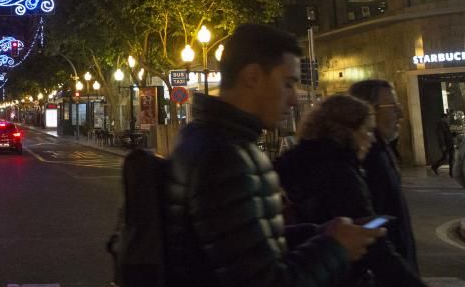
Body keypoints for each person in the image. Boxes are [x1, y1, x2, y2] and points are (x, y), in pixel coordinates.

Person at [165, 24, 383, 287]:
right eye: (288, 83)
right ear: (253, 76)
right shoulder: (226, 158)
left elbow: (240, 248)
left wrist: (318, 234)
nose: (293, 99)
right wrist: (336, 247)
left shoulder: (206, 138)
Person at [276, 94, 425, 287]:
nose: (371, 139)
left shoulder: (293, 160)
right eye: (368, 130)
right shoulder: (340, 171)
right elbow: (373, 245)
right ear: (349, 130)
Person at [348, 79, 418, 273]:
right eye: (392, 106)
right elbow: (373, 223)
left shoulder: (380, 151)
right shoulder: (369, 158)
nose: (401, 114)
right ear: (369, 110)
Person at [431, 111, 454, 176]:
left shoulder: (445, 124)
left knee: (448, 158)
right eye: (447, 118)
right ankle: (450, 172)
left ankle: (450, 172)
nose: (448, 119)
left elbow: (447, 134)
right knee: (447, 158)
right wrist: (443, 145)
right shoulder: (441, 124)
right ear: (444, 118)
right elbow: (440, 135)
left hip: (448, 143)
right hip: (446, 144)